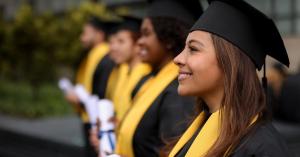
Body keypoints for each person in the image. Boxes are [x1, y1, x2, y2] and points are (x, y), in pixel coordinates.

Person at [169, 0, 292, 156]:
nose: (178, 58)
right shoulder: (199, 128)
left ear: (229, 63)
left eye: (193, 49)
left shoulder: (262, 148)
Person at [115, 0, 202, 157]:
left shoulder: (179, 91)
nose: (139, 41)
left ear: (168, 39)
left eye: (146, 34)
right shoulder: (150, 81)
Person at [65, 16, 115, 157]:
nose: (82, 38)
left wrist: (79, 99)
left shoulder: (105, 57)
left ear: (99, 34)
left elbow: (100, 92)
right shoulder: (93, 55)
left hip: (97, 120)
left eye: (86, 33)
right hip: (90, 117)